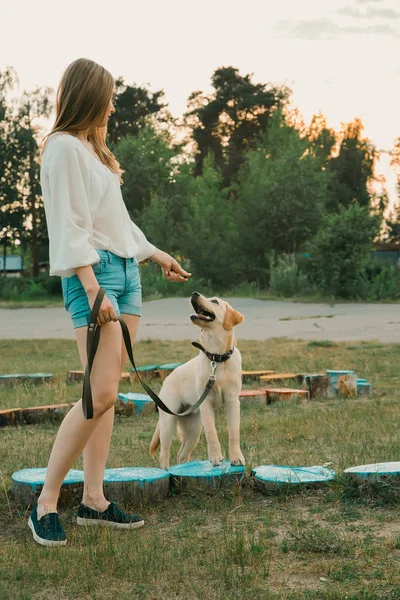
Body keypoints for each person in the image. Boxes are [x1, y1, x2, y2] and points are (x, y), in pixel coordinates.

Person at [28, 58, 191, 547]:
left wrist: (157, 255)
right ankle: (45, 503)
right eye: (109, 97)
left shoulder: (94, 153)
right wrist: (93, 286)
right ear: (88, 97)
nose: (114, 106)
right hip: (93, 276)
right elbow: (69, 223)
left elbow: (117, 222)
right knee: (96, 395)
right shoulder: (61, 149)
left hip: (126, 273)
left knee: (108, 397)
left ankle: (94, 500)